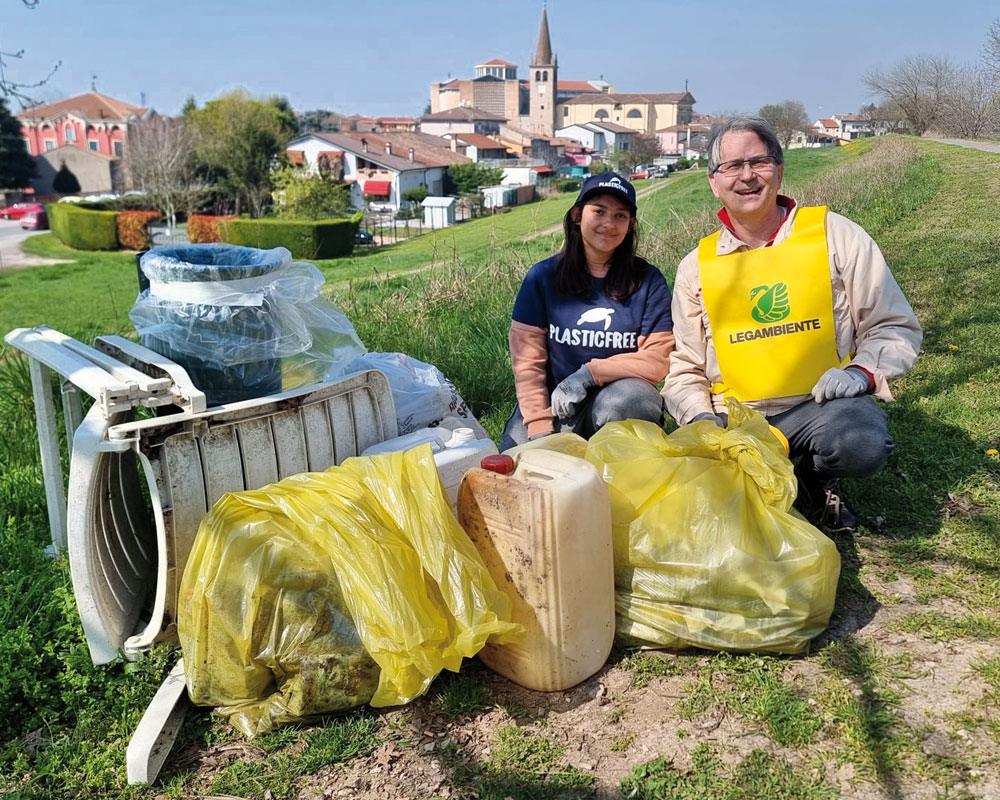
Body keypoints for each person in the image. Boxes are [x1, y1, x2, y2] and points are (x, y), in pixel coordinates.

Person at [662, 117, 922, 533]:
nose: (746, 175)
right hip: (735, 420)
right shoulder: (696, 267)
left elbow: (893, 326)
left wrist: (861, 372)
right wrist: (700, 419)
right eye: (731, 166)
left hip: (820, 409)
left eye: (759, 162)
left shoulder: (835, 236)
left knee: (860, 442)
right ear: (714, 182)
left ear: (780, 171)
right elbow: (685, 366)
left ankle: (817, 478)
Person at [499, 172, 674, 451]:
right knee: (517, 461)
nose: (609, 223)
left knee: (630, 401)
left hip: (616, 400)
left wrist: (590, 374)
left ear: (630, 225)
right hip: (556, 402)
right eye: (599, 211)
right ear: (578, 215)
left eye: (620, 215)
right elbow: (527, 361)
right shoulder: (542, 277)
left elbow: (657, 360)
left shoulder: (648, 281)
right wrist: (540, 427)